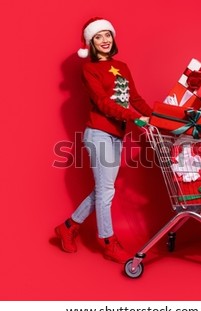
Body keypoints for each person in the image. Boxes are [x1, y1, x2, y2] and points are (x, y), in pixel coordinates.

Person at [55, 17, 152, 264]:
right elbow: (103, 103)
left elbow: (136, 99)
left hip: (117, 135)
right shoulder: (89, 69)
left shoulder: (123, 66)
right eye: (98, 37)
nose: (104, 40)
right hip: (98, 134)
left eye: (107, 35)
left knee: (104, 190)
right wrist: (134, 117)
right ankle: (108, 242)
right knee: (106, 190)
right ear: (91, 42)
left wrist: (155, 117)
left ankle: (68, 227)